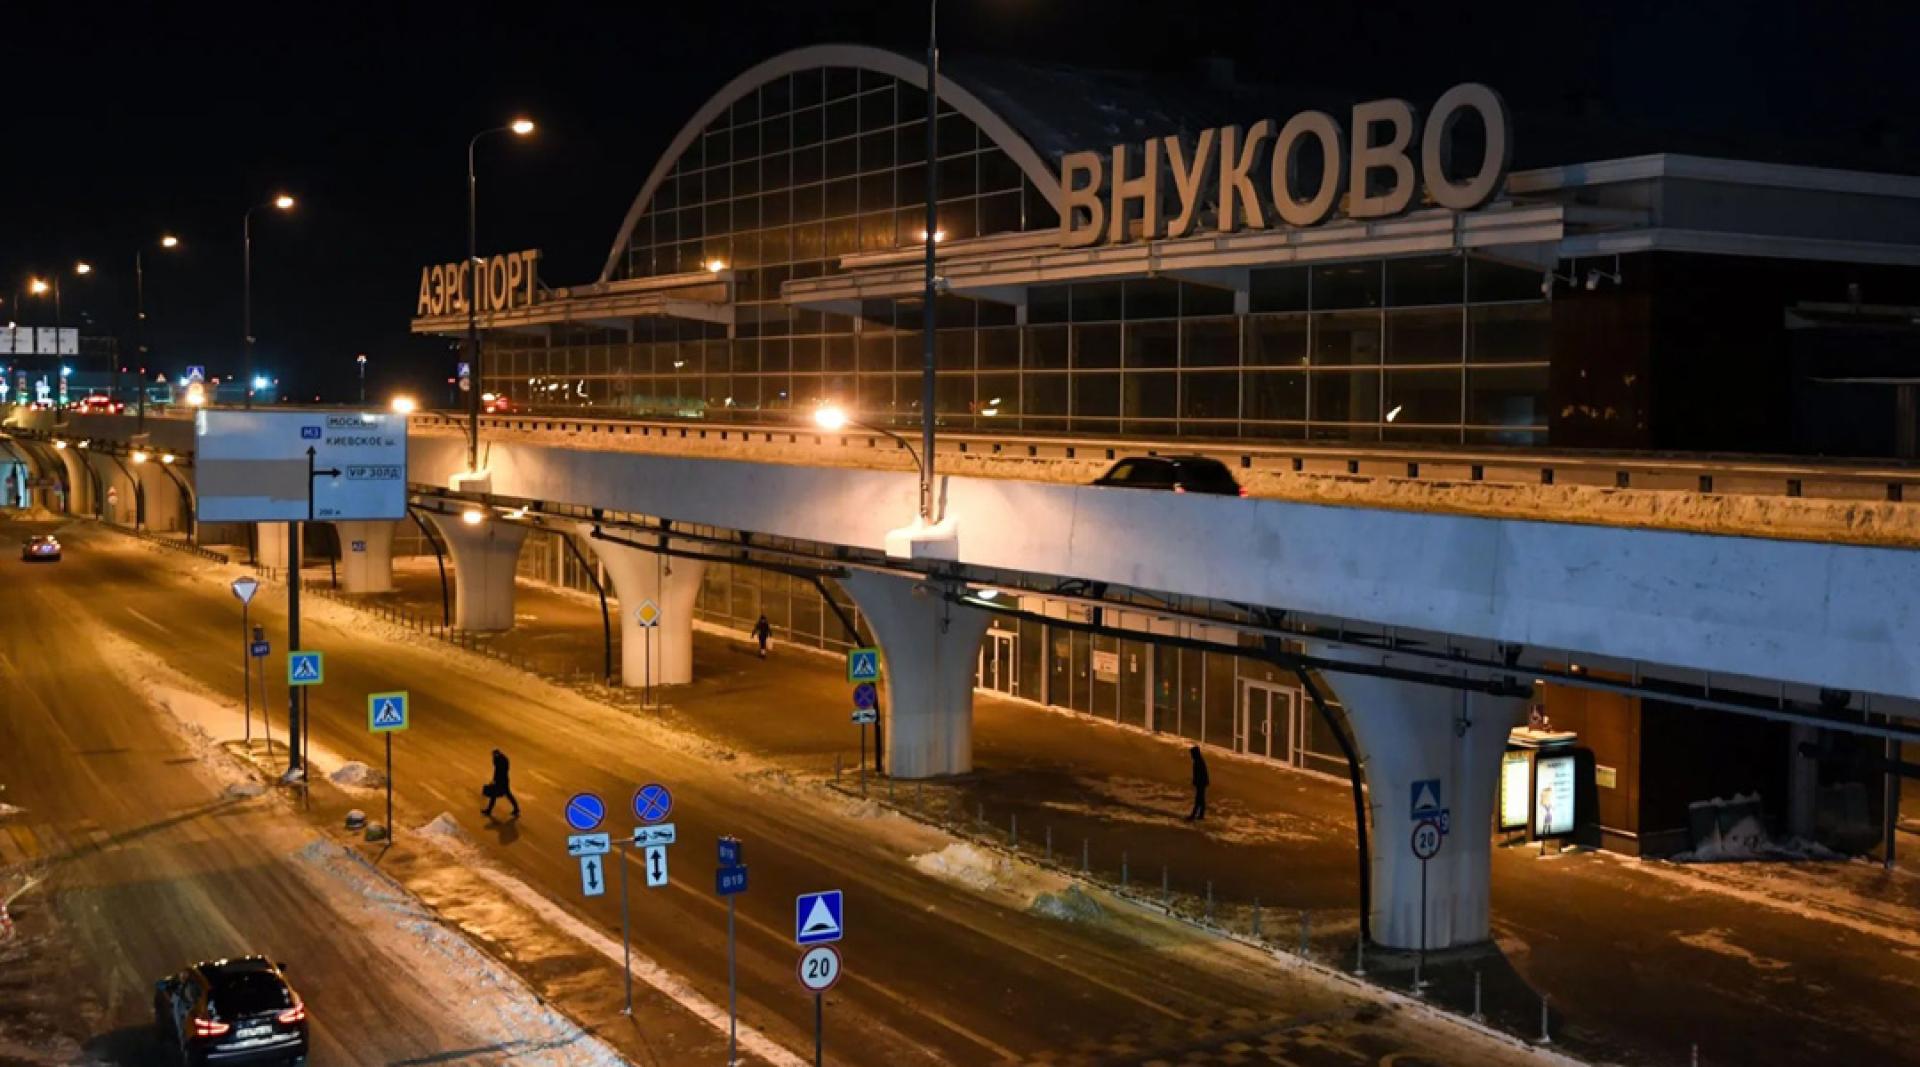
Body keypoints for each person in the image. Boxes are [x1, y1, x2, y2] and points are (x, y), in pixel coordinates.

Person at [482, 748, 520, 818]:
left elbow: (498, 771)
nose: (493, 757)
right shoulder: (503, 759)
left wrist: (494, 780)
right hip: (503, 780)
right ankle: (516, 808)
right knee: (507, 795)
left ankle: (489, 810)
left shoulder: (499, 761)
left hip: (501, 781)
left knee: (495, 795)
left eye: (493, 755)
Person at [1186, 745, 1210, 821]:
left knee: (1198, 800)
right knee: (1201, 800)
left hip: (1201, 783)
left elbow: (1199, 774)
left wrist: (1196, 782)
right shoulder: (1199, 760)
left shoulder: (1198, 762)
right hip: (1202, 783)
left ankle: (1194, 815)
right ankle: (1200, 815)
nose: (1191, 756)